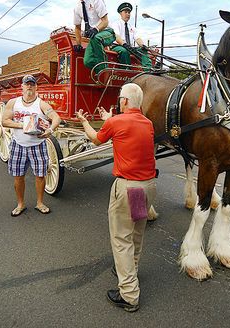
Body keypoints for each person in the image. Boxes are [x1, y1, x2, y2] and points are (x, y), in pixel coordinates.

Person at [75, 83, 156, 312]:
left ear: (123, 101)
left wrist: (84, 121)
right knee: (136, 234)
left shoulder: (116, 122)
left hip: (128, 188)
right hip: (146, 187)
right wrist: (111, 118)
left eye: (120, 98)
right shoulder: (147, 123)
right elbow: (125, 133)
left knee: (121, 239)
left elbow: (95, 139)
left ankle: (129, 295)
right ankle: (132, 271)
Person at [1, 74, 61, 216]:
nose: (29, 86)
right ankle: (20, 204)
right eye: (26, 84)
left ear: (35, 87)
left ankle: (40, 203)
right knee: (18, 176)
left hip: (38, 145)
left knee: (40, 176)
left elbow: (56, 117)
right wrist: (24, 125)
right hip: (18, 144)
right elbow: (4, 121)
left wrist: (50, 130)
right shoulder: (13, 103)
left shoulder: (41, 104)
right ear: (21, 86)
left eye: (32, 84)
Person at [71, 0, 116, 73]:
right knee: (87, 61)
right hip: (94, 38)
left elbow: (105, 21)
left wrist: (95, 29)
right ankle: (100, 75)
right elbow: (77, 28)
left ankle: (105, 71)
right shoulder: (77, 8)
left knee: (96, 38)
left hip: (107, 32)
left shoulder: (96, 1)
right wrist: (78, 44)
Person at [111, 2, 152, 70]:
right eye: (126, 12)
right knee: (124, 51)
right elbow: (116, 36)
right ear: (120, 13)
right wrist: (124, 44)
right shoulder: (116, 24)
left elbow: (137, 38)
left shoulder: (132, 27)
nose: (128, 14)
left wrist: (143, 45)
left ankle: (148, 69)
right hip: (118, 46)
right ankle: (126, 70)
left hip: (129, 48)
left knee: (143, 51)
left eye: (129, 12)